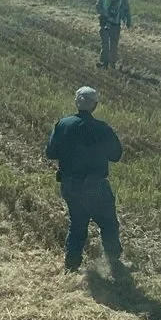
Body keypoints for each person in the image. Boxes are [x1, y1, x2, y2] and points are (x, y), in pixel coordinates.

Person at [45, 86, 124, 273]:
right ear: (94, 106)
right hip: (95, 185)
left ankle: (71, 267)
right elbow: (116, 155)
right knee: (108, 224)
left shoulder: (62, 124)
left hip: (70, 184)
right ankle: (114, 264)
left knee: (78, 224)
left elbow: (50, 153)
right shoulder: (102, 129)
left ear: (76, 103)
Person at [95, 0, 131, 68]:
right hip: (104, 22)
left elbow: (127, 9)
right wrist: (104, 14)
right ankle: (104, 62)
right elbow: (97, 6)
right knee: (105, 43)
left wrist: (128, 20)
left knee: (114, 45)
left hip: (116, 24)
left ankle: (112, 64)